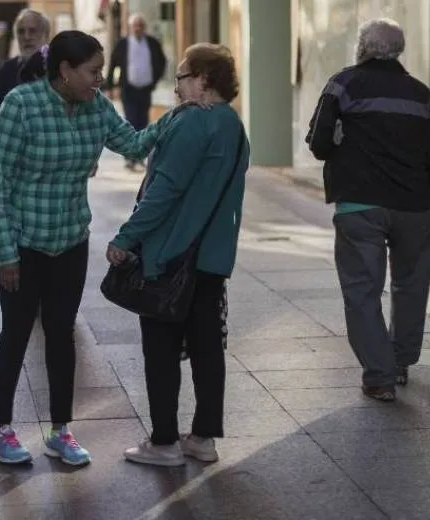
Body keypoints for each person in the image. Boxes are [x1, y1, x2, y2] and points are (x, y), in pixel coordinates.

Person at [0, 30, 178, 466]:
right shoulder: (20, 105)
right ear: (65, 70)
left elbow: (133, 143)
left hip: (69, 241)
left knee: (61, 333)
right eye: (93, 71)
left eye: (101, 71)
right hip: (21, 242)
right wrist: (6, 253)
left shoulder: (96, 106)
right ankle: (1, 429)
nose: (100, 79)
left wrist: (176, 115)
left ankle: (60, 430)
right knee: (16, 332)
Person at [107, 43, 248, 467]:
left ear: (204, 79)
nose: (176, 86)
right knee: (207, 348)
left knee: (161, 350)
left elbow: (164, 191)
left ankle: (165, 441)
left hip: (171, 255)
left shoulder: (192, 124)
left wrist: (126, 238)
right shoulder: (233, 125)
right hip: (212, 258)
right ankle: (203, 438)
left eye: (182, 77)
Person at [305, 18, 430, 402]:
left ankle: (380, 376)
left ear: (362, 47)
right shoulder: (420, 93)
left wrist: (340, 140)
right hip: (417, 207)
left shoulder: (342, 84)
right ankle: (400, 361)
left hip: (361, 205)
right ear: (398, 50)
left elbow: (318, 143)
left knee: (362, 291)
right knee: (411, 286)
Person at [0, 8, 51, 174]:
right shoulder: (5, 73)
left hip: (53, 165)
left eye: (32, 31)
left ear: (46, 35)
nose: (26, 37)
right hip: (14, 167)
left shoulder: (62, 72)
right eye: (21, 31)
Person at [106, 13, 167, 171]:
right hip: (128, 89)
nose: (138, 28)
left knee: (143, 121)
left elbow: (162, 62)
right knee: (131, 122)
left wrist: (155, 79)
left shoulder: (152, 43)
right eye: (135, 25)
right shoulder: (123, 43)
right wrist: (110, 86)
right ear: (130, 27)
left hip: (145, 89)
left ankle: (139, 156)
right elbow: (113, 64)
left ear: (144, 27)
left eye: (140, 25)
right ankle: (130, 157)